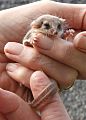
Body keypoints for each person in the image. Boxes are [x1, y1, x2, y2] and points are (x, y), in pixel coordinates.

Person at [0, 1, 86, 119]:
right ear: (36, 26)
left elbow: (63, 37)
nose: (55, 31)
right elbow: (25, 41)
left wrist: (67, 36)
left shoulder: (58, 35)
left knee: (42, 81)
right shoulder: (34, 33)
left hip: (27, 76)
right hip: (19, 69)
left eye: (59, 27)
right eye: (47, 26)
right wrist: (31, 42)